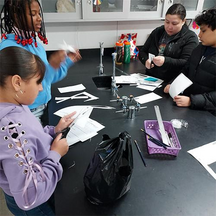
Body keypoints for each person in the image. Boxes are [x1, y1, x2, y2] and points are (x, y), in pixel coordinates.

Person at [0, 46, 76, 215]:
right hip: (35, 205)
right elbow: (28, 196)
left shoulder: (16, 104)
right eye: (37, 82)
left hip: (41, 182)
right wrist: (55, 155)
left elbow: (31, 136)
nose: (41, 88)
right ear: (17, 82)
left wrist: (53, 130)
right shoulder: (10, 129)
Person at [0, 0, 81, 125]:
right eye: (33, 14)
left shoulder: (36, 45)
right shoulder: (9, 49)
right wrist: (52, 65)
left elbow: (46, 81)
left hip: (44, 106)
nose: (39, 18)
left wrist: (66, 62)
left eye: (39, 14)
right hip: (26, 113)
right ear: (17, 16)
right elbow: (29, 84)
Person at [164, 8, 216, 116]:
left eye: (203, 31)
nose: (199, 35)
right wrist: (172, 84)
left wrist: (192, 101)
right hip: (189, 108)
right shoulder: (199, 48)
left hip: (209, 115)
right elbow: (186, 70)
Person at [139, 3, 199, 82]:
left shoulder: (190, 38)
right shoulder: (158, 32)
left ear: (183, 21)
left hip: (171, 82)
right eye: (167, 22)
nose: (169, 27)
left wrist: (165, 61)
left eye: (174, 23)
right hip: (150, 79)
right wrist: (146, 60)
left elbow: (186, 63)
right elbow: (142, 52)